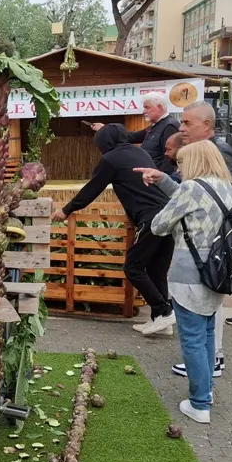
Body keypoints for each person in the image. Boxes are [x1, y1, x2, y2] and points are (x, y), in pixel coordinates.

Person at [135, 140, 232, 424]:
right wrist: (165, 184)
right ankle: (206, 391)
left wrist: (171, 202)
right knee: (207, 333)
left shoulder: (190, 188)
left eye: (181, 163)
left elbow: (159, 225)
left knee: (193, 339)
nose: (178, 168)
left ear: (194, 161)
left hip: (188, 273)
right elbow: (200, 202)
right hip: (219, 271)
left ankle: (198, 404)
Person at [51, 124, 175, 335]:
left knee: (133, 268)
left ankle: (164, 311)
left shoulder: (111, 159)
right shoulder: (140, 151)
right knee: (156, 270)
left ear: (103, 143)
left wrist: (66, 210)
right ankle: (160, 320)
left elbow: (92, 189)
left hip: (150, 218)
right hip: (168, 214)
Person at [180, 101, 232, 327]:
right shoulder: (204, 149)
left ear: (206, 125)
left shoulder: (220, 150)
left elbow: (230, 188)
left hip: (227, 224)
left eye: (187, 123)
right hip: (216, 224)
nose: (182, 128)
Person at [90, 93, 180, 170]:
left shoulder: (169, 126)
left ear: (159, 108)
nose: (143, 111)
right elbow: (131, 137)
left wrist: (159, 179)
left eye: (147, 107)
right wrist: (105, 129)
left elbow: (169, 159)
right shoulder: (155, 126)